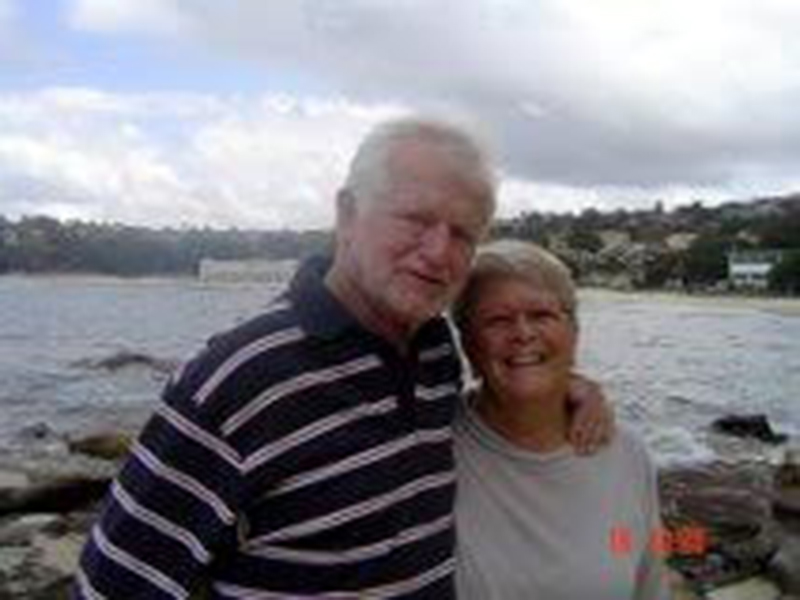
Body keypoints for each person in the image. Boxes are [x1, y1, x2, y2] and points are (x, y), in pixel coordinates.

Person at [73, 118, 610, 598]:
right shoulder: (242, 377)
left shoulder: (435, 351)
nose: (439, 252)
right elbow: (113, 580)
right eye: (416, 219)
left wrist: (564, 389)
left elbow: (482, 414)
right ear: (347, 215)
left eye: (463, 234)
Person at [451, 239, 670, 600]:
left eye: (541, 315)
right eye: (497, 320)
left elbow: (649, 578)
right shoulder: (431, 448)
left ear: (575, 333)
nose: (523, 333)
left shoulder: (627, 457)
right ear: (468, 345)